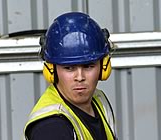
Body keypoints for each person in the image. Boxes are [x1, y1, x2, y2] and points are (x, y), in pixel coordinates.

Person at [23, 12, 117, 140]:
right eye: (69, 68)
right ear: (51, 71)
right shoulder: (51, 127)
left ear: (103, 66)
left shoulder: (99, 101)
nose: (79, 77)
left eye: (88, 66)